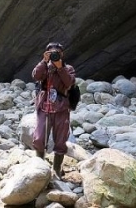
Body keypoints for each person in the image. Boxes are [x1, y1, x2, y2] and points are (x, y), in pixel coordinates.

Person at [32, 42, 76, 178]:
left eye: (57, 53)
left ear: (62, 54)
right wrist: (43, 62)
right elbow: (35, 76)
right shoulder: (44, 67)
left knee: (61, 141)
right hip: (44, 107)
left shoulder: (68, 68)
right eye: (51, 53)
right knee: (39, 138)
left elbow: (69, 83)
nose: (55, 55)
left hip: (61, 109)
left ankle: (56, 170)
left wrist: (60, 68)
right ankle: (39, 167)